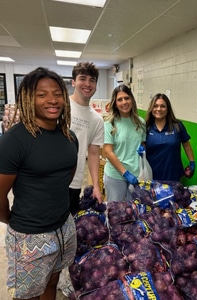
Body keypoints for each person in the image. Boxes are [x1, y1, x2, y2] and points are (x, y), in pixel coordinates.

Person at [0, 67, 78, 300]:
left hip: (63, 227)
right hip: (30, 234)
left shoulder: (69, 137)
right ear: (27, 99)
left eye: (57, 93)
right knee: (27, 294)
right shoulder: (15, 140)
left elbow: (65, 179)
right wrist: (13, 223)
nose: (52, 100)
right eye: (41, 94)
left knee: (52, 281)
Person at [69, 62, 104, 215]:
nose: (87, 84)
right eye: (82, 78)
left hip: (75, 181)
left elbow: (94, 154)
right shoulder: (60, 107)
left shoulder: (96, 119)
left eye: (92, 80)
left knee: (68, 227)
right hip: (50, 182)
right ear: (73, 82)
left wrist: (96, 185)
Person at [103, 84, 146, 202]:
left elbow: (142, 143)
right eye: (119, 99)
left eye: (127, 98)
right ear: (115, 103)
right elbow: (108, 151)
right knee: (116, 214)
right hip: (115, 175)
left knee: (133, 212)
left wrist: (143, 148)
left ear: (132, 99)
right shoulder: (109, 123)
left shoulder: (140, 122)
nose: (124, 102)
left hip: (136, 174)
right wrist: (125, 173)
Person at [145, 93, 195, 182]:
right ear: (151, 109)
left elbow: (186, 144)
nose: (159, 109)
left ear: (168, 109)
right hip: (151, 175)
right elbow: (141, 144)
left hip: (173, 174)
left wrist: (192, 162)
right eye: (155, 106)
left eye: (162, 106)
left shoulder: (177, 126)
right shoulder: (146, 127)